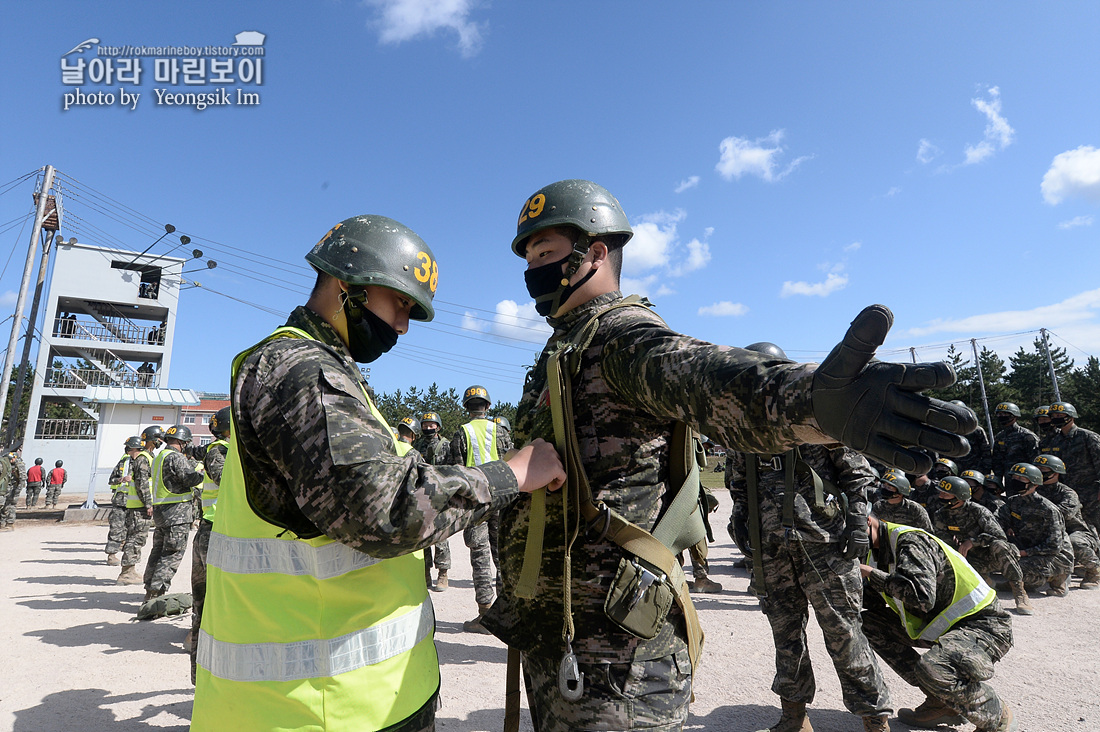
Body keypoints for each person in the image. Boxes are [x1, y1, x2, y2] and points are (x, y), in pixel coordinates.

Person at [487, 179, 975, 732]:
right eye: (528, 257)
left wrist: (813, 399)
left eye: (545, 253)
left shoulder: (621, 339)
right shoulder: (566, 347)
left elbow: (714, 380)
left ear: (595, 253)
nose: (533, 271)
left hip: (615, 655)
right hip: (564, 634)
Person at [191, 214, 564, 732]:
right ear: (349, 284)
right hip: (322, 707)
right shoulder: (305, 372)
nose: (404, 326)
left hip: (341, 699)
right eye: (400, 304)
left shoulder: (326, 370)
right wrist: (512, 474)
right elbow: (385, 510)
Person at [726, 340, 892, 732]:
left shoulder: (817, 419)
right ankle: (794, 715)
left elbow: (858, 476)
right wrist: (741, 526)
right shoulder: (740, 430)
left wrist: (856, 525)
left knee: (844, 634)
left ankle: (874, 717)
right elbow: (738, 485)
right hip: (771, 552)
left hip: (824, 545)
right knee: (786, 638)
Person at [859, 516, 1017, 732]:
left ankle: (996, 716)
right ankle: (942, 701)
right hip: (946, 626)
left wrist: (870, 574)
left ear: (867, 521)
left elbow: (921, 598)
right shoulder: (874, 552)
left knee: (934, 668)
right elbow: (874, 600)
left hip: (984, 625)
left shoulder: (910, 541)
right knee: (867, 625)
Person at [447, 385, 510, 633]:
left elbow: (458, 472)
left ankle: (485, 613)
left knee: (480, 556)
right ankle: (505, 613)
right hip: (502, 499)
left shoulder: (461, 433)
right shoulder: (500, 431)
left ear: (467, 407)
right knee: (503, 555)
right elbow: (510, 463)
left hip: (476, 501)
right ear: (487, 406)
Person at [929, 476, 1029, 615]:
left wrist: (972, 541)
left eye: (945, 493)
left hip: (991, 555)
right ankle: (981, 582)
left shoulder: (978, 511)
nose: (941, 496)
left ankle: (1019, 593)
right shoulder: (941, 514)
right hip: (969, 557)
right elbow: (943, 540)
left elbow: (999, 536)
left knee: (1001, 546)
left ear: (959, 496)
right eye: (940, 492)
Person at [190, 407, 230, 684]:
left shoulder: (222, 449)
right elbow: (229, 482)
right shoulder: (219, 450)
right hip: (214, 532)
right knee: (209, 606)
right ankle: (203, 679)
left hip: (215, 530)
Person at [143, 424, 203, 601]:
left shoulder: (161, 456)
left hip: (162, 512)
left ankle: (149, 589)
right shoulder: (176, 457)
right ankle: (156, 594)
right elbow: (188, 478)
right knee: (172, 553)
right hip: (177, 514)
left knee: (158, 551)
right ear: (181, 441)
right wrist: (203, 474)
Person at [997, 462, 1074, 597]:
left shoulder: (1048, 509)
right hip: (1028, 546)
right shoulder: (1013, 501)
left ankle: (1057, 579)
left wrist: (1023, 553)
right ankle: (1022, 580)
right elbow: (996, 521)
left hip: (1055, 556)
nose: (1016, 481)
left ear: (1034, 483)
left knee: (1015, 566)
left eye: (1021, 479)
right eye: (1015, 478)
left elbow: (1054, 546)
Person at [1033, 453, 1100, 589]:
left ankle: (1094, 572)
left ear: (1055, 473)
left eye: (1043, 470)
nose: (1039, 473)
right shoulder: (1034, 490)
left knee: (1075, 542)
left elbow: (1062, 515)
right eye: (1037, 469)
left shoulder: (1067, 493)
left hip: (1075, 531)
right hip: (1045, 529)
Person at [1041, 401, 1100, 534]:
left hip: (1090, 493)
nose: (1056, 418)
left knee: (1096, 525)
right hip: (1066, 492)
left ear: (1071, 416)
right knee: (1076, 528)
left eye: (1059, 415)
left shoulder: (1088, 437)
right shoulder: (1055, 441)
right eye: (1053, 416)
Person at [415, 410, 453, 590]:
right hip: (423, 494)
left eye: (431, 425)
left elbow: (452, 469)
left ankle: (443, 573)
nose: (428, 428)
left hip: (441, 494)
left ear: (438, 426)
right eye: (425, 425)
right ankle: (425, 573)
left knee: (440, 535)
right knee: (423, 535)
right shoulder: (418, 445)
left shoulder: (445, 446)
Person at [116, 433, 154, 585]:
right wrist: (148, 504)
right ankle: (127, 573)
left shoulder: (139, 459)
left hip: (136, 505)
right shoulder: (143, 459)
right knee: (136, 539)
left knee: (134, 538)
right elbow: (142, 484)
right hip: (140, 506)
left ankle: (128, 571)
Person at [990, 403, 1039, 483]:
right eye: (999, 414)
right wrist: (997, 480)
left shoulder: (1026, 436)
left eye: (1005, 414)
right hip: (1008, 480)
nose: (1001, 416)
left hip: (1025, 479)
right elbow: (997, 461)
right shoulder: (1000, 437)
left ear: (1014, 415)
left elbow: (1035, 460)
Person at [105, 442, 134, 566]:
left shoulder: (144, 462)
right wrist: (121, 479)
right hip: (121, 500)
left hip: (136, 502)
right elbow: (111, 480)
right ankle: (112, 555)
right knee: (116, 527)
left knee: (131, 529)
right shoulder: (124, 462)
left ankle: (126, 554)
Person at [951, 400, 992, 475]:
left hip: (974, 472)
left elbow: (986, 452)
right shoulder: (946, 431)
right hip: (953, 471)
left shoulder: (976, 430)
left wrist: (985, 470)